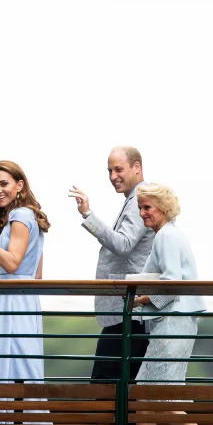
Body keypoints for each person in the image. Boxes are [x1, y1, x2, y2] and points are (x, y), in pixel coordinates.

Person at [69, 146, 154, 381]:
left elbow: (124, 244)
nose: (113, 176)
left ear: (137, 168)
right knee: (121, 385)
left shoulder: (140, 198)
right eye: (109, 171)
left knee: (104, 382)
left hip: (128, 312)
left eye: (118, 169)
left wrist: (88, 215)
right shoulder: (136, 198)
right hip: (126, 311)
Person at [0, 160, 50, 383]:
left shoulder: (19, 216)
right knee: (20, 363)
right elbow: (38, 274)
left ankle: (3, 414)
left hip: (11, 300)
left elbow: (12, 263)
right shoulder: (30, 215)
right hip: (25, 300)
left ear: (20, 185)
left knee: (6, 364)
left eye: (4, 184)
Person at [132, 183, 206, 383]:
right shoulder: (170, 233)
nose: (142, 213)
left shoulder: (166, 235)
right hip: (177, 319)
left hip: (173, 320)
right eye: (140, 208)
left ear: (163, 208)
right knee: (161, 390)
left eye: (147, 207)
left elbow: (172, 283)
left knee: (156, 391)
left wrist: (139, 300)